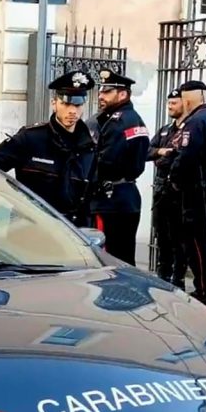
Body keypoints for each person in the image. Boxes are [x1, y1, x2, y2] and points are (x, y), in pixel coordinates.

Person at [0, 70, 97, 226]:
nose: (72, 111)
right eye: (66, 103)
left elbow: (90, 197)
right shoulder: (31, 138)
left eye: (78, 105)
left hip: (72, 232)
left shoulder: (89, 147)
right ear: (54, 103)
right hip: (32, 228)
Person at [168, 80, 206, 309]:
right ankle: (205, 287)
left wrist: (174, 178)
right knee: (203, 239)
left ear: (188, 99)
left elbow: (186, 156)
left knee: (197, 241)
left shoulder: (196, 121)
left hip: (197, 187)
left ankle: (205, 291)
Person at [87, 68, 151, 265]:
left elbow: (105, 161)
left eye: (107, 92)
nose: (101, 96)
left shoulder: (118, 122)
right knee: (124, 255)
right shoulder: (131, 118)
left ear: (122, 94)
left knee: (107, 257)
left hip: (110, 199)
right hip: (125, 196)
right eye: (101, 91)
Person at [148, 88, 188, 289]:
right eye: (169, 103)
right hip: (161, 188)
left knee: (179, 236)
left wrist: (164, 158)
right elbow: (147, 150)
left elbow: (181, 157)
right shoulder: (165, 130)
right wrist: (160, 151)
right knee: (162, 234)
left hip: (179, 189)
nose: (170, 107)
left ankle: (178, 277)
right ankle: (163, 272)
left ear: (185, 103)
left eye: (174, 103)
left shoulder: (189, 129)